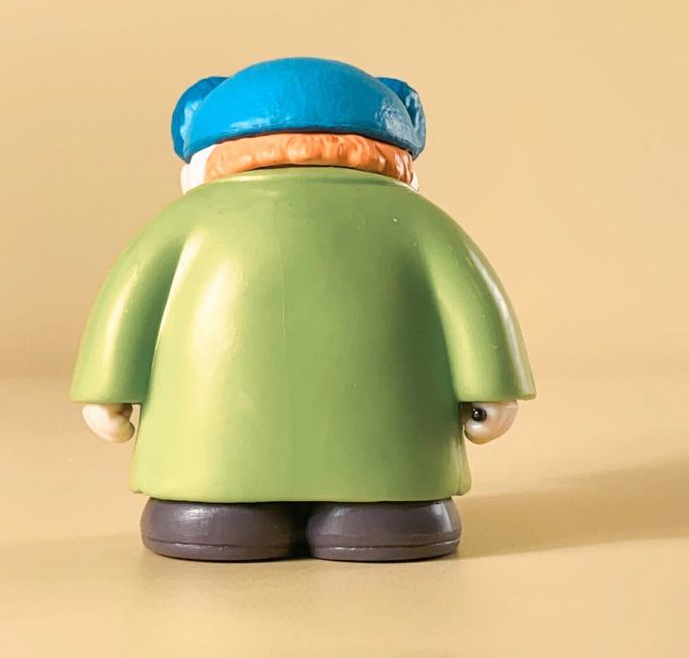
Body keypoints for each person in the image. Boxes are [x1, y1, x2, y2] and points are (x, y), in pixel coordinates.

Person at [71, 57, 535, 562]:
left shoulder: (185, 222)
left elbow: (129, 299)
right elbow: (472, 302)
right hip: (389, 452)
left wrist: (107, 391)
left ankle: (215, 513)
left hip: (215, 445)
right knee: (387, 511)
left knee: (214, 507)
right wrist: (492, 390)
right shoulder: (418, 221)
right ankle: (382, 516)